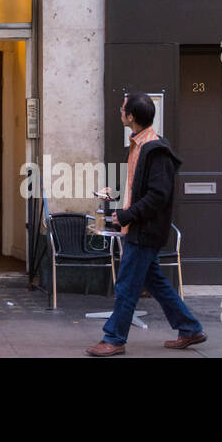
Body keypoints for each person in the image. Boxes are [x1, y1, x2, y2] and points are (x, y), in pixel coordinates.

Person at [86, 93, 205, 356]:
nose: (120, 111)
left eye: (123, 109)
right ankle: (190, 328)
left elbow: (158, 195)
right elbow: (137, 186)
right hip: (139, 227)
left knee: (127, 284)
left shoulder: (155, 149)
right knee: (155, 282)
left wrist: (127, 216)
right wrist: (115, 192)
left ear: (131, 117)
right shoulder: (139, 145)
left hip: (145, 230)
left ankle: (114, 338)